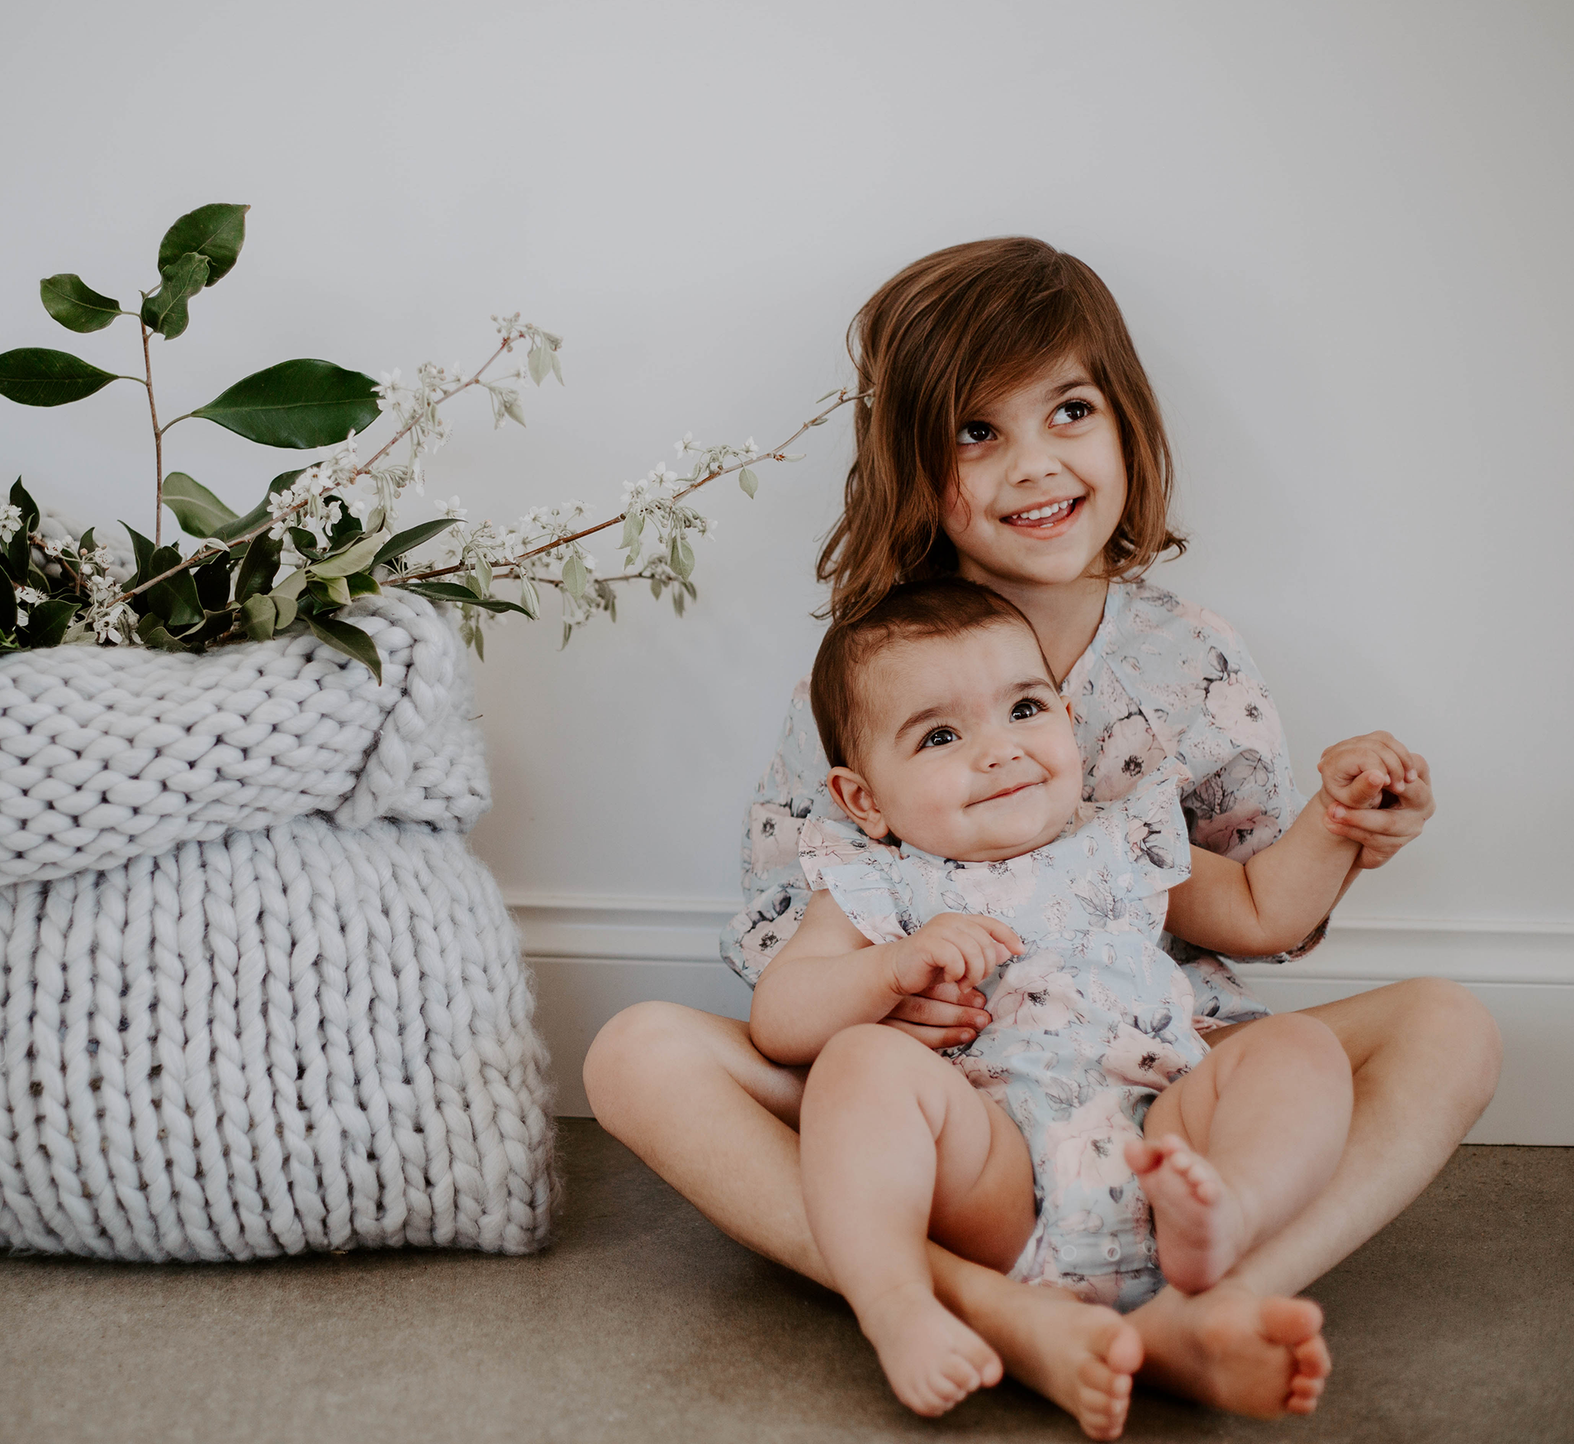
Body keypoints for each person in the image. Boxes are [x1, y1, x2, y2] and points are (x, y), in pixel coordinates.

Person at [582, 238, 1501, 1437]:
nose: (1034, 464)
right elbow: (786, 947)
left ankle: (1216, 1292)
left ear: (1123, 422)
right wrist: (883, 992)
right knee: (635, 1051)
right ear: (915, 464)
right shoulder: (864, 675)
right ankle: (968, 1304)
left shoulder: (1185, 660)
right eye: (975, 433)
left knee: (1447, 1024)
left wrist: (1344, 824)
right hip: (953, 1108)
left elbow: (1261, 910)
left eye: (1068, 409)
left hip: (1165, 1076)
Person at [770, 576, 1410, 1427]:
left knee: (1296, 1052)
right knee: (858, 1062)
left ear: (1069, 722)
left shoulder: (1122, 837)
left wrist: (1336, 822)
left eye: (1025, 710)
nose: (998, 750)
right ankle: (897, 1301)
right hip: (993, 1181)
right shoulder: (874, 881)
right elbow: (780, 1016)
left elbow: (1264, 909)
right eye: (942, 734)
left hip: (1168, 1133)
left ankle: (1234, 1213)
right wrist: (888, 968)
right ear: (865, 801)